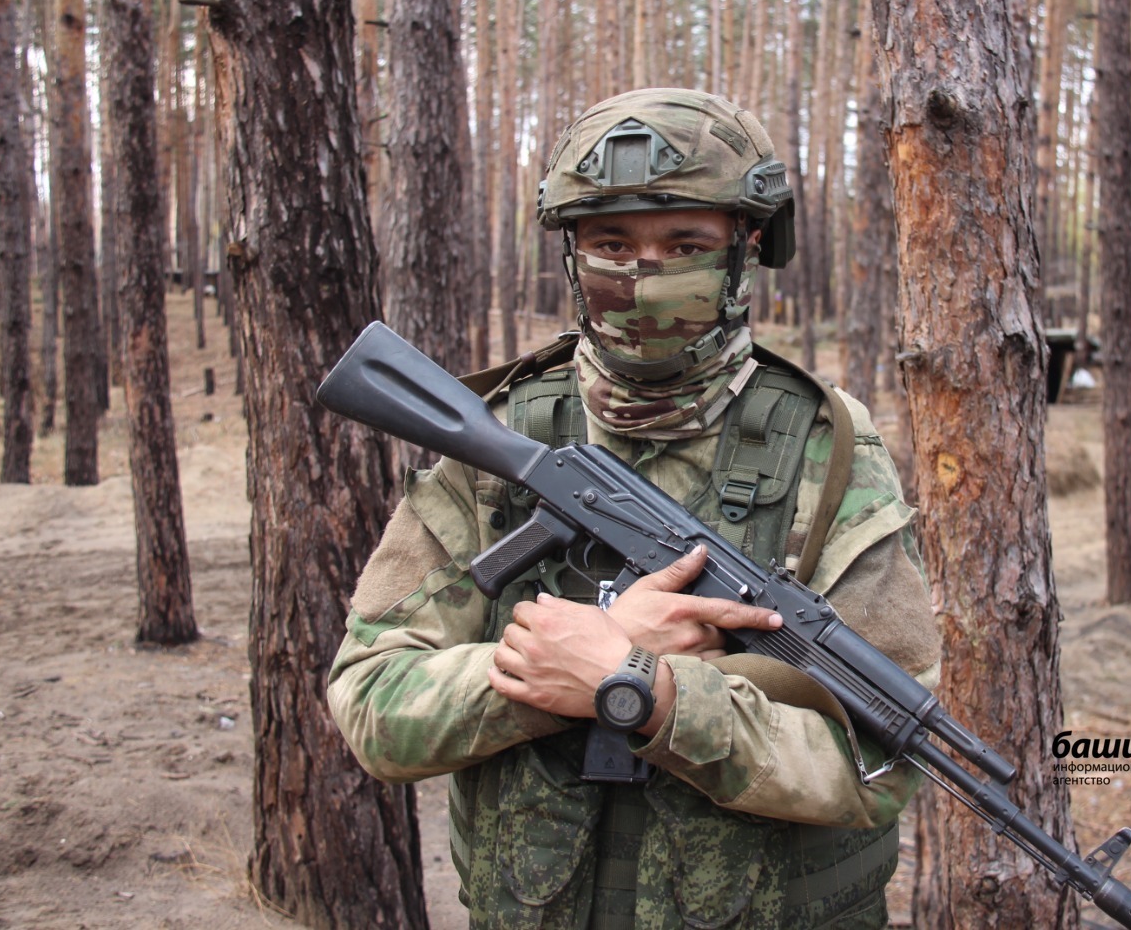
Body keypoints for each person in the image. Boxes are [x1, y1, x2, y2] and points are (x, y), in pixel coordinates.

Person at [327, 88, 941, 928]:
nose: (643, 275)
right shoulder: (509, 434)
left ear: (745, 249)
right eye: (612, 244)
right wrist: (548, 679)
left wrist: (651, 691)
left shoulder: (823, 449)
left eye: (685, 244)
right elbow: (371, 701)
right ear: (573, 254)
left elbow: (882, 763)